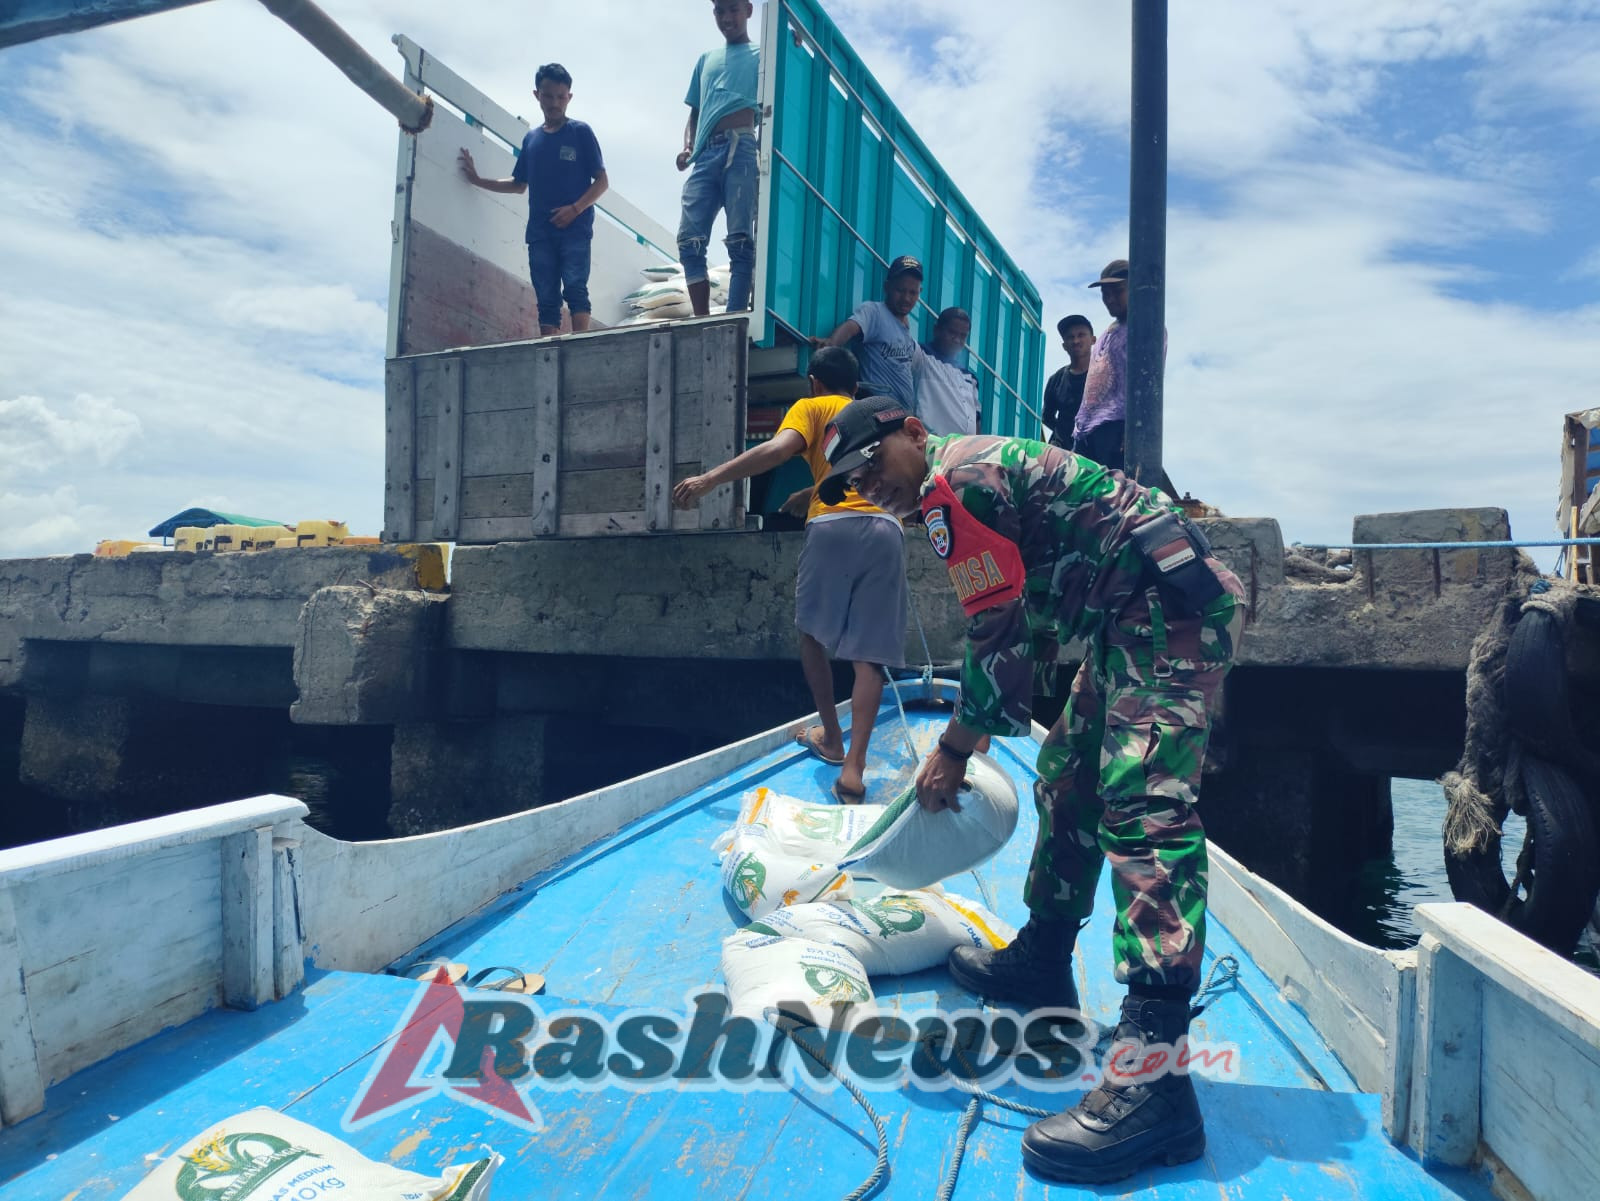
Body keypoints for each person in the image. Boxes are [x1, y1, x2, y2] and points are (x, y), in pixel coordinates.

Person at [815, 395, 1245, 1184]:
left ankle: (1156, 1080)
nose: (870, 484)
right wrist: (980, 717)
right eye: (853, 481)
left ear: (914, 432)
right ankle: (1045, 958)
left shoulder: (958, 485)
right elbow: (1020, 621)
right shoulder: (955, 484)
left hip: (1169, 610)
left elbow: (996, 634)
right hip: (1127, 611)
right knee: (1069, 778)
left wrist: (953, 748)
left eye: (874, 463)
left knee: (1143, 805)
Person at [672, 348, 906, 803]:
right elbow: (859, 471)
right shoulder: (874, 413)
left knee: (811, 636)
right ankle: (855, 770)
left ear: (815, 382)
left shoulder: (812, 407)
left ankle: (832, 740)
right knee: (869, 657)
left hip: (832, 527)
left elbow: (777, 450)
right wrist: (810, 488)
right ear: (855, 388)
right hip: (887, 526)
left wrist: (710, 479)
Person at [459, 63, 608, 337]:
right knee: (546, 298)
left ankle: (581, 347)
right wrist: (478, 180)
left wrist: (575, 210)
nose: (554, 103)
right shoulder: (531, 140)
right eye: (548, 96)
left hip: (575, 229)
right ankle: (550, 351)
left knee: (575, 287)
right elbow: (518, 185)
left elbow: (602, 182)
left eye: (561, 97)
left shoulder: (580, 133)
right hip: (540, 233)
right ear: (537, 95)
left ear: (569, 98)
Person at [677, 0, 761, 316]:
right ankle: (701, 319)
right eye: (719, 11)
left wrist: (794, 44)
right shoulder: (705, 60)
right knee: (689, 239)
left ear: (749, 10)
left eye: (733, 9)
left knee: (740, 238)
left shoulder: (763, 55)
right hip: (704, 154)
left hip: (741, 145)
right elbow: (695, 112)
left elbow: (790, 76)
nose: (726, 17)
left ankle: (735, 315)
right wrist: (687, 148)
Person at [1071, 259, 1163, 469]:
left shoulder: (1147, 326)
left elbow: (1149, 385)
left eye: (1117, 290)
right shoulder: (1108, 332)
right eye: (1105, 293)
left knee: (1110, 496)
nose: (1110, 298)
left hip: (1116, 429)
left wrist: (1134, 430)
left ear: (1135, 287)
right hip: (1087, 431)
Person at [813, 255, 923, 410]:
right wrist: (831, 344)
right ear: (887, 287)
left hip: (901, 414)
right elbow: (850, 327)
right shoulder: (875, 312)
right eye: (900, 290)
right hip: (877, 410)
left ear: (920, 292)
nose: (906, 298)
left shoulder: (906, 328)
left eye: (913, 293)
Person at [913, 307, 980, 435]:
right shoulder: (921, 355)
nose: (957, 339)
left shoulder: (971, 378)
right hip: (931, 445)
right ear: (936, 330)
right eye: (952, 333)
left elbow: (976, 420)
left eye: (963, 336)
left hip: (963, 452)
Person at [1041, 314, 1094, 448]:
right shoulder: (1056, 379)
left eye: (1081, 335)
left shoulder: (1107, 374)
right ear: (1064, 345)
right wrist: (1064, 433)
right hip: (1064, 455)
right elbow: (1047, 417)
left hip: (1099, 455)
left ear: (1093, 340)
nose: (1076, 341)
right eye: (1070, 337)